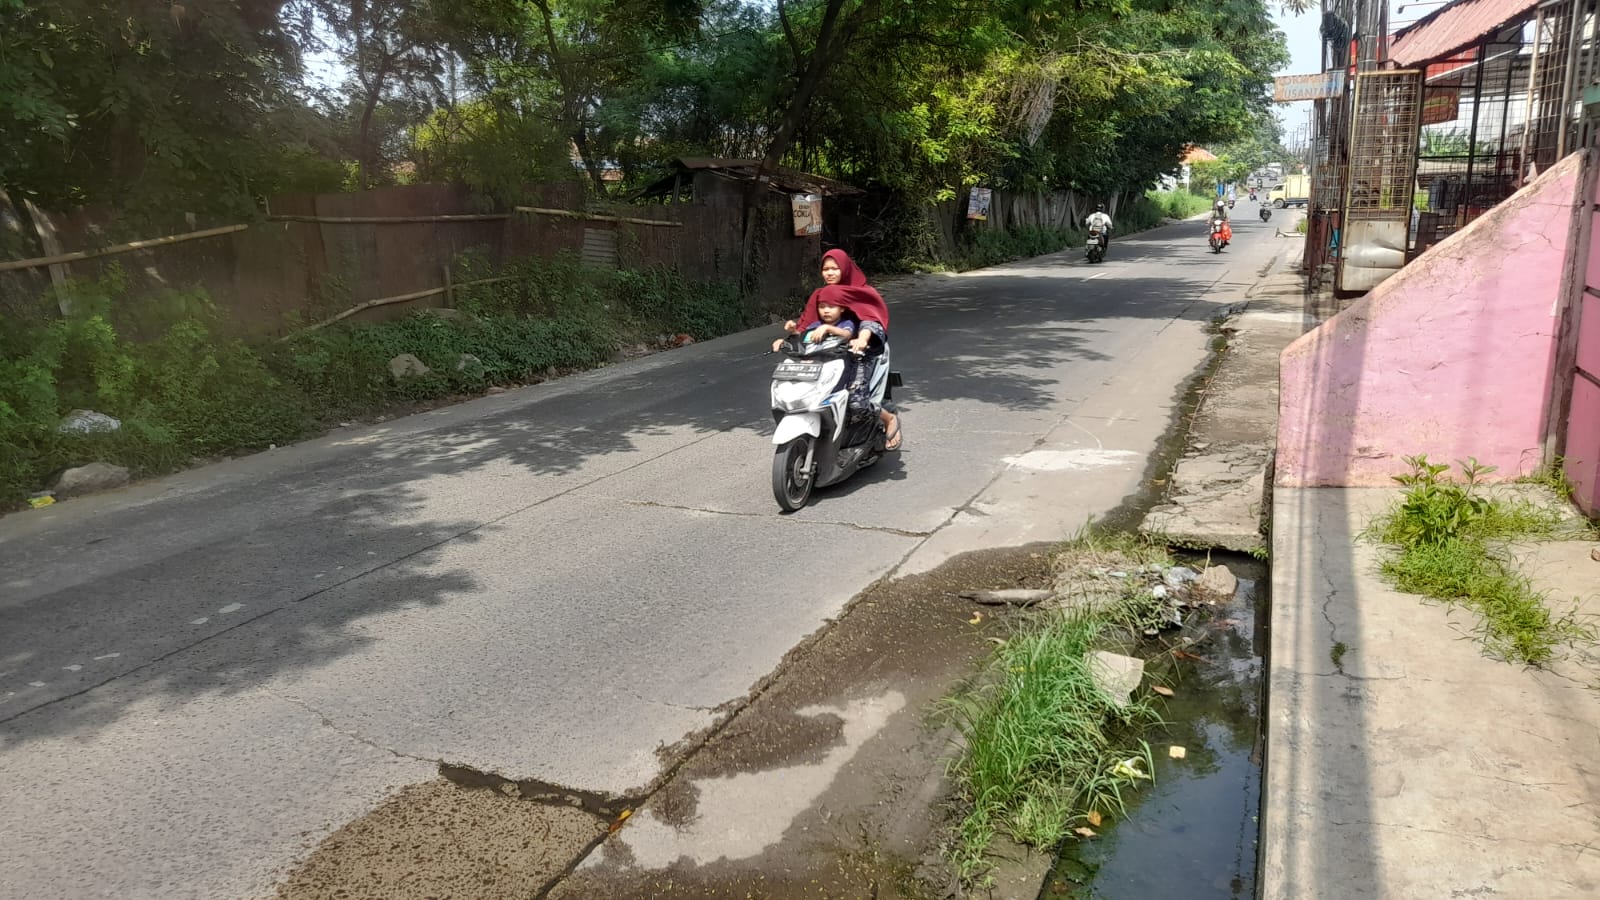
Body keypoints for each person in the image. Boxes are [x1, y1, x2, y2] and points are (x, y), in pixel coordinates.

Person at [785, 249, 901, 450]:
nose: (829, 273)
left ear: (845, 268)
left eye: (834, 268)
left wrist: (862, 339)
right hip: (825, 354)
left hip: (857, 354)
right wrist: (791, 333)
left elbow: (871, 320)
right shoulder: (820, 295)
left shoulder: (862, 292)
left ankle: (888, 418)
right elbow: (808, 324)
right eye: (825, 269)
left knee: (855, 402)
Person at [771, 299, 855, 351]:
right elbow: (803, 337)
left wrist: (828, 328)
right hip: (814, 361)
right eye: (822, 307)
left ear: (842, 308)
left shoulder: (846, 323)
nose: (826, 311)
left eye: (831, 307)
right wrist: (793, 331)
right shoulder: (816, 325)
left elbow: (847, 334)